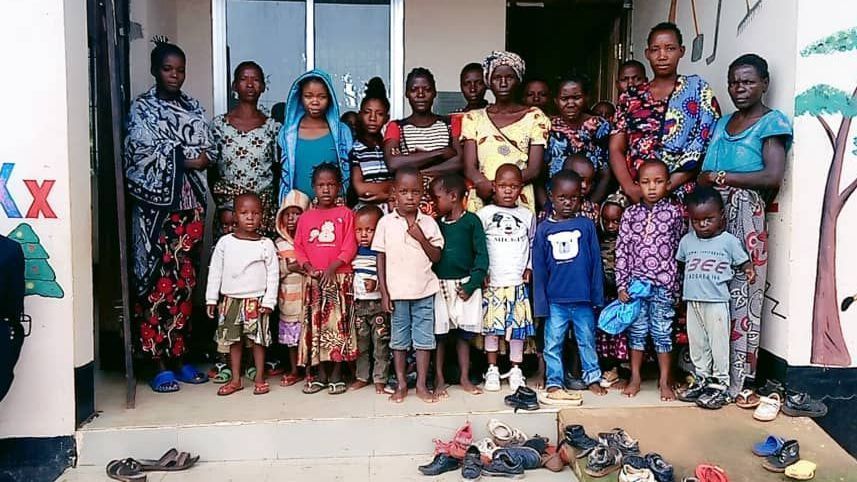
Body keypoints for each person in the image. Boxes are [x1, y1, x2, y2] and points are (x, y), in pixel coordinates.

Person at [698, 54, 791, 396]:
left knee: (742, 292)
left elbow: (771, 175)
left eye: (749, 81)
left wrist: (722, 177)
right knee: (708, 291)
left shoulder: (772, 123)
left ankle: (737, 378)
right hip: (712, 217)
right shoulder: (722, 124)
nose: (740, 88)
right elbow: (703, 173)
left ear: (764, 84)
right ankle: (708, 373)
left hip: (745, 217)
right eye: (735, 81)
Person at [125, 40, 211, 392]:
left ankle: (180, 356)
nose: (174, 75)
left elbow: (208, 150)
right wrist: (184, 157)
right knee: (156, 287)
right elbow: (137, 153)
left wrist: (190, 156)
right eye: (167, 68)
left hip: (190, 208)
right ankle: (157, 362)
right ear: (154, 70)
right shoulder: (143, 110)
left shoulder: (193, 106)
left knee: (185, 284)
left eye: (180, 69)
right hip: (155, 214)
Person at [609, 23, 720, 203]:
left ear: (681, 51)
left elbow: (704, 145)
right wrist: (631, 188)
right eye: (655, 50)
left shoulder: (698, 91)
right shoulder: (630, 97)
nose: (662, 56)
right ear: (647, 54)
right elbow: (616, 147)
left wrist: (666, 187)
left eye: (670, 49)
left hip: (681, 191)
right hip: (636, 192)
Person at [676, 187, 755, 408]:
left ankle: (720, 385)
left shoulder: (728, 241)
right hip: (693, 302)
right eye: (697, 220)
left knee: (718, 344)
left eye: (708, 219)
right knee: (698, 344)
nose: (702, 225)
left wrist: (749, 269)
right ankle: (701, 379)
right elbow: (682, 264)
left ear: (721, 216)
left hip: (717, 303)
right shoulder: (687, 241)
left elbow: (743, 261)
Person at [615, 160, 685, 400]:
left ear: (667, 184)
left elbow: (679, 251)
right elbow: (622, 250)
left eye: (658, 182)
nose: (652, 188)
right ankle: (635, 376)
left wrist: (676, 288)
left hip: (663, 285)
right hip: (636, 285)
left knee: (662, 331)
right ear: (638, 184)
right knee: (637, 330)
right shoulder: (630, 214)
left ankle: (665, 380)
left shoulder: (675, 213)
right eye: (645, 182)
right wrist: (622, 285)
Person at [374, 167, 444, 403]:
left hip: (424, 290)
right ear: (394, 193)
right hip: (397, 293)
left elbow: (436, 256)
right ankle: (402, 383)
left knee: (424, 340)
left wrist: (421, 237)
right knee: (399, 340)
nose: (410, 197)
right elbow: (380, 258)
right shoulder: (385, 223)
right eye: (404, 191)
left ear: (423, 193)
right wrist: (384, 293)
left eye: (415, 191)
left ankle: (422, 384)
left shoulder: (429, 222)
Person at [534, 170, 606, 398]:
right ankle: (554, 381)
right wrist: (541, 305)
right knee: (553, 343)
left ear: (581, 198)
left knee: (587, 340)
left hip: (583, 299)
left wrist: (597, 296)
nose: (567, 202)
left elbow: (596, 263)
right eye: (562, 197)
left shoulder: (586, 226)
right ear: (551, 197)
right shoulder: (544, 228)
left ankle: (592, 377)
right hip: (556, 300)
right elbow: (539, 269)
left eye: (573, 198)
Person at [294, 163, 358, 395]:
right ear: (313, 188)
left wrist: (333, 267)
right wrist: (308, 267)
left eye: (331, 185)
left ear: (339, 187)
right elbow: (299, 247)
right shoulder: (306, 217)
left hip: (338, 280)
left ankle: (337, 373)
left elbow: (350, 245)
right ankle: (320, 374)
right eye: (321, 185)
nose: (326, 190)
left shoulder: (346, 214)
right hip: (315, 282)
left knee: (337, 328)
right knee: (317, 328)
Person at [206, 193, 279, 396]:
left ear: (262, 216)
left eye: (255, 213)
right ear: (235, 215)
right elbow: (215, 271)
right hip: (230, 299)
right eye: (244, 212)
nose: (250, 217)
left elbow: (274, 274)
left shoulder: (266, 244)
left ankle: (259, 378)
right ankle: (236, 379)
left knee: (258, 340)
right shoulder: (225, 242)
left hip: (256, 300)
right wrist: (212, 298)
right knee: (233, 341)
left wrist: (269, 301)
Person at [462, 51, 550, 213]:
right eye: (497, 78)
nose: (503, 83)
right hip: (482, 195)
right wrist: (484, 185)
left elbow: (534, 169)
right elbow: (469, 166)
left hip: (519, 198)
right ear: (489, 81)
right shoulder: (473, 118)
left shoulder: (535, 117)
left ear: (518, 80)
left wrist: (503, 188)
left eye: (509, 77)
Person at [476, 164, 536, 392]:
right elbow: (478, 246)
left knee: (517, 329)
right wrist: (482, 272)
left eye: (513, 186)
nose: (508, 191)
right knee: (492, 328)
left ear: (520, 188)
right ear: (494, 186)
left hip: (517, 282)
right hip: (493, 283)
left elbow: (531, 244)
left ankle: (516, 368)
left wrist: (529, 267)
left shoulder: (527, 216)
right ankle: (492, 369)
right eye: (502, 186)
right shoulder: (484, 215)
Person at [430, 173, 489, 397]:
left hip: (466, 286)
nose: (433, 203)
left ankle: (464, 377)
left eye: (436, 198)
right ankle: (439, 379)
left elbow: (482, 256)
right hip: (440, 286)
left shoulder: (471, 221)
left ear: (453, 196)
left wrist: (473, 284)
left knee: (465, 335)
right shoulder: (436, 224)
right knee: (440, 336)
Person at [210, 61, 280, 234]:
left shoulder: (272, 127)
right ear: (234, 85)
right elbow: (211, 171)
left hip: (262, 211)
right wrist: (223, 205)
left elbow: (277, 170)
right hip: (229, 212)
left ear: (263, 87)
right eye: (244, 79)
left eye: (255, 80)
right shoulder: (219, 126)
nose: (250, 84)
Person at [384, 68, 461, 217]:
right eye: (414, 90)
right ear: (407, 94)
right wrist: (441, 152)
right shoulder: (396, 127)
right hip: (410, 206)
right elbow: (393, 164)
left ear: (434, 93)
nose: (420, 95)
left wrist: (413, 168)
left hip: (447, 205)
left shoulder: (451, 122)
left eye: (426, 89)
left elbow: (458, 162)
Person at [277, 69, 353, 203]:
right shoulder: (287, 133)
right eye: (308, 96)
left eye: (322, 97)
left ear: (330, 99)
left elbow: (348, 172)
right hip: (297, 210)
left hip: (333, 209)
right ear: (299, 97)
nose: (315, 101)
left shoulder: (342, 133)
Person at [546, 75, 613, 202]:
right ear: (555, 100)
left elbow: (606, 174)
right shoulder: (547, 128)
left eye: (576, 98)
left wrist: (592, 205)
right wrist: (546, 205)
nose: (570, 104)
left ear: (586, 98)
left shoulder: (600, 127)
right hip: (555, 204)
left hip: (592, 200)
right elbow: (539, 174)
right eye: (564, 99)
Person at [350, 204, 391, 394]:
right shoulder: (354, 251)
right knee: (361, 344)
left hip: (377, 305)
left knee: (381, 344)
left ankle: (380, 378)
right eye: (359, 230)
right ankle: (361, 376)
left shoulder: (381, 252)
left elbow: (388, 273)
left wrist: (375, 283)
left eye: (369, 230)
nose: (364, 235)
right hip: (359, 305)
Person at [274, 189, 311, 387]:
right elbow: (273, 271)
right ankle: (294, 370)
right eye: (288, 214)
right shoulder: (279, 244)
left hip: (308, 298)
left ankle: (309, 371)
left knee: (308, 336)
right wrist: (288, 267)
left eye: (297, 214)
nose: (292, 219)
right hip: (289, 298)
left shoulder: (311, 240)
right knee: (292, 339)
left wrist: (304, 266)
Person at [595, 192, 630, 388]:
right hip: (604, 294)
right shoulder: (598, 239)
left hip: (622, 296)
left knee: (622, 334)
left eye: (616, 221)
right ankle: (608, 367)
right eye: (606, 221)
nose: (611, 226)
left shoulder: (630, 242)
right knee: (605, 334)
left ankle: (622, 370)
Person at [350, 78, 393, 210]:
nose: (372, 118)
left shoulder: (392, 147)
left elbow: (404, 184)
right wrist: (391, 189)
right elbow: (361, 189)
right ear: (360, 115)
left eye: (379, 114)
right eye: (367, 112)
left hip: (392, 214)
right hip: (365, 215)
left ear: (387, 118)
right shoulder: (356, 149)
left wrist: (382, 195)